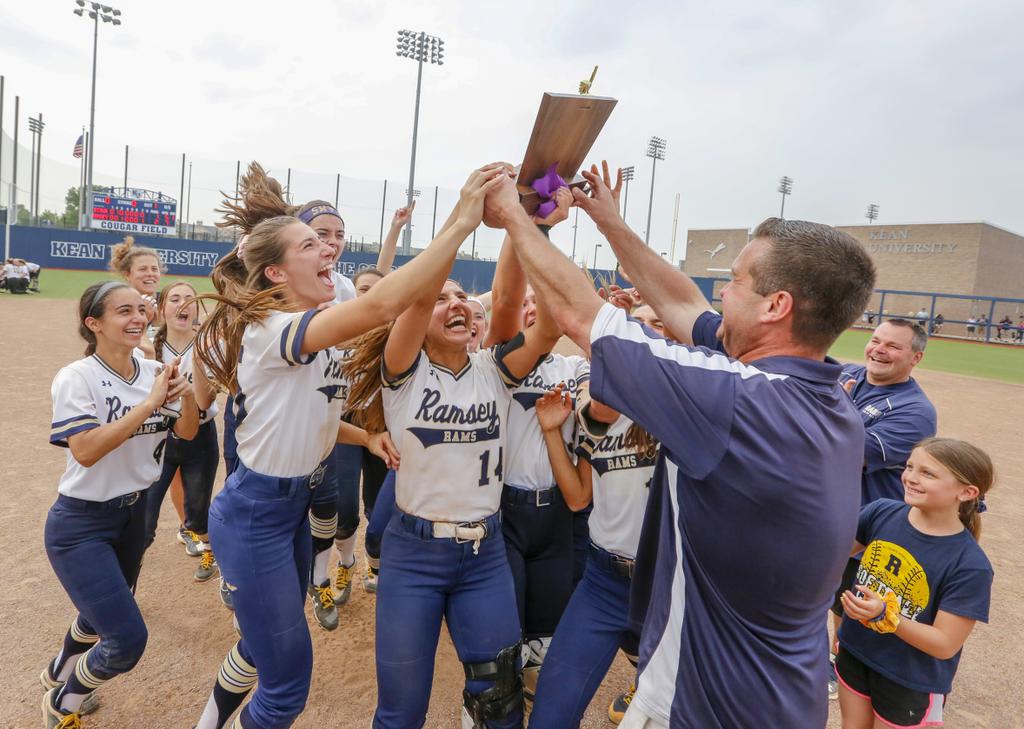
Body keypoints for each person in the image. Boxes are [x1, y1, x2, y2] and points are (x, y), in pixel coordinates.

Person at [482, 161, 878, 728]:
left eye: (737, 280)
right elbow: (686, 307)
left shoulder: (739, 402)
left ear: (776, 306)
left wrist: (519, 222)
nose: (722, 290)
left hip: (704, 702)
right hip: (780, 695)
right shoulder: (823, 396)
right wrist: (609, 223)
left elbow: (579, 315)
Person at [190, 163, 504, 729]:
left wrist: (367, 435)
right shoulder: (276, 330)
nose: (328, 250)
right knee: (285, 691)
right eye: (311, 243)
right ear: (277, 274)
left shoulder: (308, 322)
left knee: (264, 651)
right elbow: (386, 305)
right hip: (256, 513)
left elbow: (312, 417)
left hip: (288, 508)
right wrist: (460, 222)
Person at [344, 166, 562, 729]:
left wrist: (525, 225)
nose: (455, 303)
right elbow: (415, 300)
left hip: (484, 556)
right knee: (402, 710)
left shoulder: (495, 370)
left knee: (501, 703)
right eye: (443, 299)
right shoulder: (404, 373)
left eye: (463, 295)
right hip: (414, 556)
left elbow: (520, 304)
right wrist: (463, 221)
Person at [41, 281, 198, 728]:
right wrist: (150, 404)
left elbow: (185, 434)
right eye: (122, 311)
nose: (137, 318)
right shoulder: (78, 376)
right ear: (95, 324)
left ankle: (58, 670)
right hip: (81, 523)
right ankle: (65, 700)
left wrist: (183, 395)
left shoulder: (153, 370)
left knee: (98, 615)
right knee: (126, 639)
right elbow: (86, 449)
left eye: (140, 310)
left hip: (134, 515)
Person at [484, 190, 586, 709]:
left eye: (537, 304)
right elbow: (505, 299)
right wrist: (531, 226)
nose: (530, 308)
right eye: (527, 304)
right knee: (506, 627)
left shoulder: (573, 371)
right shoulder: (498, 362)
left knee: (546, 629)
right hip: (505, 509)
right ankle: (490, 704)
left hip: (557, 520)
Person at [293, 198, 414, 629]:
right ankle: (338, 565)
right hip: (338, 423)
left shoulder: (343, 288)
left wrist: (395, 232)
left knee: (377, 508)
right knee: (342, 511)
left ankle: (367, 563)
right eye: (321, 235)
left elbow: (376, 288)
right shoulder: (302, 291)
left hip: (377, 424)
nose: (332, 243)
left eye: (338, 236)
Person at [836, 438, 994, 728]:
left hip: (910, 678)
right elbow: (831, 555)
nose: (910, 477)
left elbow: (945, 644)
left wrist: (886, 616)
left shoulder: (970, 565)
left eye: (928, 473)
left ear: (967, 492)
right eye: (910, 466)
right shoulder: (882, 512)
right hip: (856, 650)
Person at [528, 386, 657, 729]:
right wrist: (551, 430)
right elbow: (578, 498)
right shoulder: (595, 422)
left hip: (666, 587)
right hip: (603, 583)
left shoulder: (670, 409)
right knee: (550, 716)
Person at [826, 319, 938, 696]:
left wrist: (829, 405)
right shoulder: (848, 373)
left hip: (865, 522)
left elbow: (846, 452)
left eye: (893, 346)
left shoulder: (916, 410)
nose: (879, 350)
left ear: (915, 357)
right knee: (821, 593)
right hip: (824, 510)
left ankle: (839, 666)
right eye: (876, 340)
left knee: (851, 602)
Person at [142, 280, 223, 584]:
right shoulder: (147, 348)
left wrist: (200, 361)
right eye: (174, 299)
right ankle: (127, 580)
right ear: (162, 309)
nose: (183, 304)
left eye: (190, 299)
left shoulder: (210, 347)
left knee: (198, 513)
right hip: (157, 438)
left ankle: (211, 551)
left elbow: (203, 401)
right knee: (144, 518)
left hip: (199, 436)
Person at [109, 236, 163, 359]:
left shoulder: (170, 301)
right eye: (143, 269)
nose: (150, 273)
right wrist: (144, 319)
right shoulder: (116, 305)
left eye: (154, 269)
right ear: (127, 274)